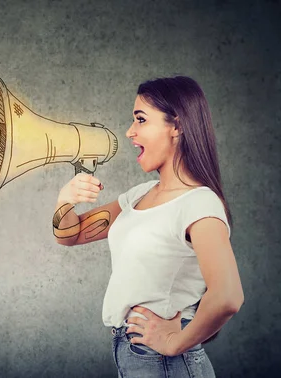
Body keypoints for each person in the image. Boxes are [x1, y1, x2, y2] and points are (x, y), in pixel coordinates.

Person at [52, 76, 244, 377]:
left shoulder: (200, 204)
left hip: (166, 364)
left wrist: (176, 342)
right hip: (133, 356)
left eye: (140, 120)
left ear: (177, 126)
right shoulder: (139, 195)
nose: (130, 132)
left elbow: (228, 296)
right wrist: (65, 200)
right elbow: (70, 235)